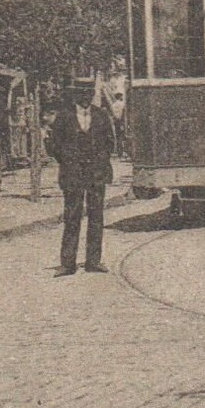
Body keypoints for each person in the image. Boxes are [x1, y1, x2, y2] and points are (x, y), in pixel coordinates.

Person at [47, 81, 115, 276]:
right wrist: (68, 161)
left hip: (96, 173)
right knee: (72, 216)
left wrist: (100, 160)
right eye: (81, 93)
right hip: (73, 173)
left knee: (96, 216)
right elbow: (54, 146)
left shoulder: (101, 115)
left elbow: (110, 142)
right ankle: (67, 264)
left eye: (88, 93)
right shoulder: (64, 116)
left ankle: (93, 261)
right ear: (75, 94)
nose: (85, 97)